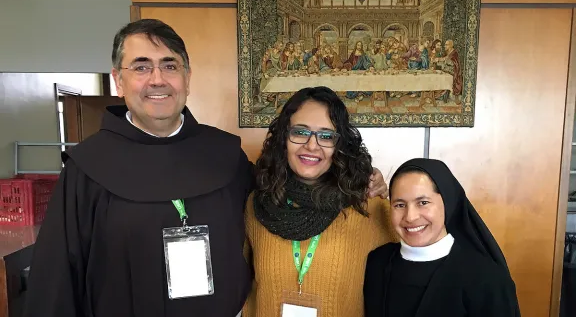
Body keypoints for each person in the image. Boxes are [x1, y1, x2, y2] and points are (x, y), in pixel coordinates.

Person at [23, 19, 388, 317]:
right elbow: (55, 282)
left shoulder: (224, 155)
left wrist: (359, 182)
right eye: (141, 67)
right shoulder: (88, 169)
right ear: (119, 81)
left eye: (170, 66)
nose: (157, 80)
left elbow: (287, 194)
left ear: (187, 77)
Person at [242, 86, 398, 317]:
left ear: (340, 145)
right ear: (283, 137)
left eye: (326, 136)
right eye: (300, 132)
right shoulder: (257, 205)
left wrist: (391, 194)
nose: (312, 145)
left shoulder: (366, 205)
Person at [363, 158, 521, 317]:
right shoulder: (377, 263)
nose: (410, 217)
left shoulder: (487, 278)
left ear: (448, 202)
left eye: (423, 202)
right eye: (400, 205)